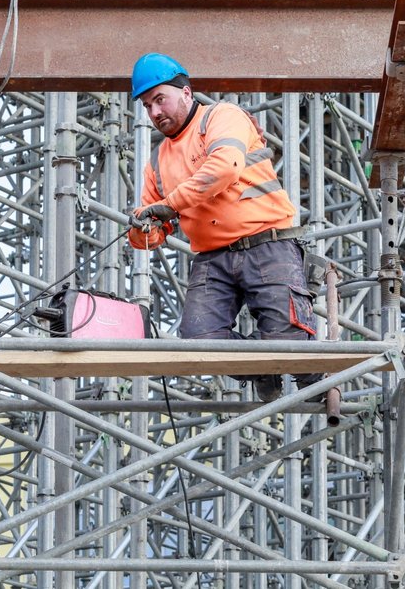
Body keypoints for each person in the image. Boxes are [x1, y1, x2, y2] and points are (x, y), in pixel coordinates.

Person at [127, 52, 318, 401]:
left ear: (186, 92)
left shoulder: (222, 116)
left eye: (159, 99)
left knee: (286, 339)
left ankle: (314, 378)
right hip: (212, 258)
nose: (154, 113)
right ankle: (261, 369)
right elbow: (154, 233)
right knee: (199, 339)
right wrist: (142, 229)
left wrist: (167, 206)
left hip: (267, 244)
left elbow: (225, 167)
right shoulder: (157, 161)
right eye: (146, 105)